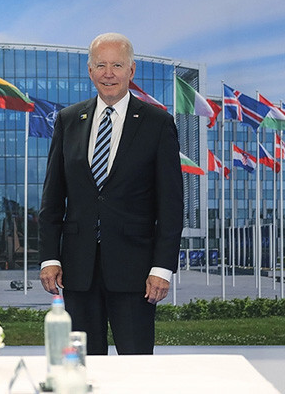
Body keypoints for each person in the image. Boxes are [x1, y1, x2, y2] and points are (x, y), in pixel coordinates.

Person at [38, 32, 183, 355]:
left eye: (117, 65)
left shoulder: (157, 123)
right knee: (82, 367)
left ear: (131, 70)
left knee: (136, 367)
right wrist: (50, 257)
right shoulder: (68, 120)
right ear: (90, 71)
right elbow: (52, 198)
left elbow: (171, 205)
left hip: (137, 273)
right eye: (101, 65)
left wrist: (162, 268)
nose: (108, 74)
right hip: (77, 272)